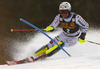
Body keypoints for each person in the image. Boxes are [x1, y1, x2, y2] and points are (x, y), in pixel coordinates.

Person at [7, 2, 89, 65]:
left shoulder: (76, 17)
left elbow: (86, 25)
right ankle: (34, 55)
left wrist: (83, 35)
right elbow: (53, 25)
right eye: (62, 12)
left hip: (73, 38)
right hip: (63, 34)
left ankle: (42, 57)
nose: (63, 14)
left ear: (69, 11)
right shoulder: (59, 17)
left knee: (61, 43)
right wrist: (50, 28)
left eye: (65, 12)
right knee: (50, 44)